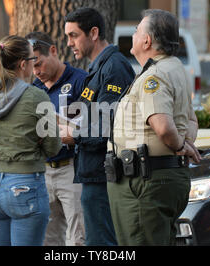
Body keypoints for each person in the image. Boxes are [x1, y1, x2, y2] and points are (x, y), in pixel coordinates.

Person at [106, 9, 201, 246]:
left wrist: (180, 145)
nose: (134, 34)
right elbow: (191, 120)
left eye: (137, 30)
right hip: (159, 177)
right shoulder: (174, 68)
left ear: (147, 40)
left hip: (144, 182)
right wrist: (186, 143)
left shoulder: (154, 76)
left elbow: (163, 127)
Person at [62, 7, 135, 246]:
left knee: (102, 244)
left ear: (93, 33)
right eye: (67, 37)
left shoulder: (114, 67)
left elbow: (107, 125)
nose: (70, 43)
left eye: (74, 35)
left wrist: (74, 134)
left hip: (105, 176)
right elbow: (89, 116)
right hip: (92, 172)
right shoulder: (97, 69)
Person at [0, 35, 61, 246]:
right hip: (26, 185)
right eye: (33, 61)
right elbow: (53, 147)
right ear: (23, 64)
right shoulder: (36, 97)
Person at [26, 31, 86, 246]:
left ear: (53, 50)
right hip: (43, 170)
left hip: (72, 168)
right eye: (31, 67)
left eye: (39, 64)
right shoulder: (34, 89)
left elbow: (88, 129)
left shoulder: (80, 81)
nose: (36, 71)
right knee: (48, 239)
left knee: (80, 236)